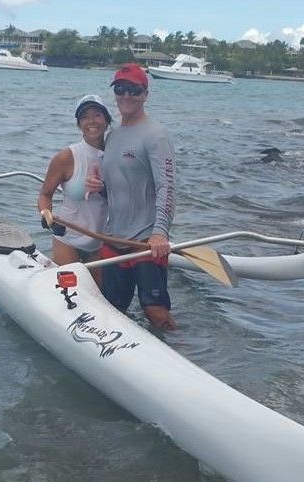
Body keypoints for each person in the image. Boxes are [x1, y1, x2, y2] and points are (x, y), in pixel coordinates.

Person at [86, 63, 177, 330]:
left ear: (145, 95)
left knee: (155, 312)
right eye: (121, 89)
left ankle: (182, 355)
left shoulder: (156, 135)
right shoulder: (112, 136)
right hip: (115, 239)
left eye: (134, 91)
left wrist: (160, 232)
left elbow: (167, 187)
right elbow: (120, 185)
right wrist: (99, 186)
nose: (126, 96)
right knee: (114, 309)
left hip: (146, 241)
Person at [37, 95, 112, 280]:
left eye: (97, 115)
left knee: (102, 299)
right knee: (71, 295)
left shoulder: (116, 156)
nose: (91, 121)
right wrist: (46, 214)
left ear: (107, 120)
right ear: (79, 124)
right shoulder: (66, 157)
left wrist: (104, 189)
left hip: (100, 243)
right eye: (84, 117)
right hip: (67, 239)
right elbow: (45, 195)